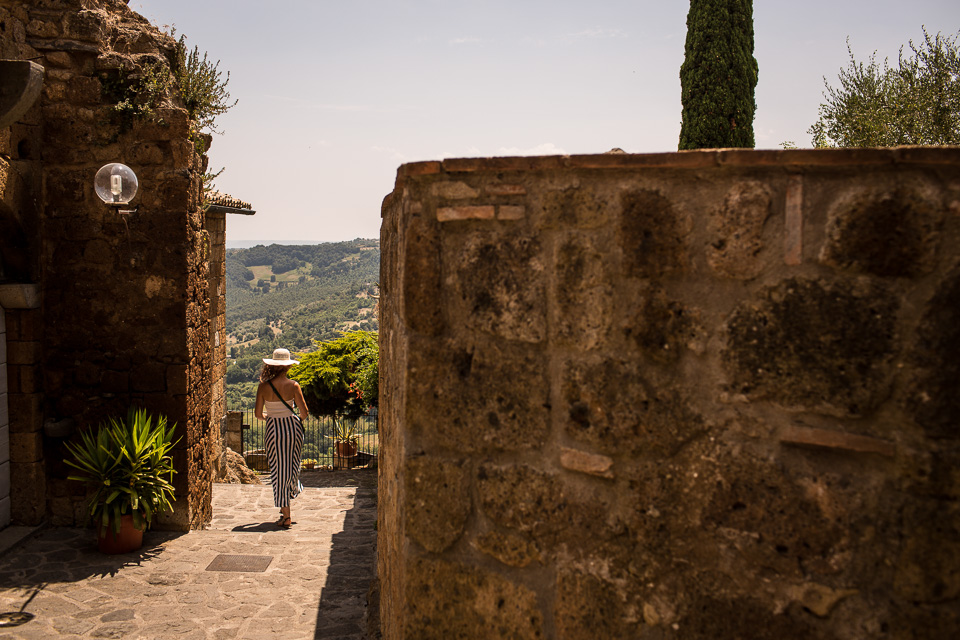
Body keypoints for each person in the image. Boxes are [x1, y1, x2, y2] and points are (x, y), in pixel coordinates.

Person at [254, 348, 309, 528]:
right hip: (292, 429)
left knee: (278, 470)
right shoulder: (294, 386)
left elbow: (257, 414)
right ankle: (287, 508)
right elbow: (304, 412)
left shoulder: (263, 386)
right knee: (292, 466)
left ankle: (285, 513)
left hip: (273, 430)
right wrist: (293, 420)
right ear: (287, 367)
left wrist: (271, 418)